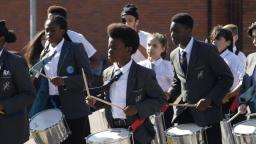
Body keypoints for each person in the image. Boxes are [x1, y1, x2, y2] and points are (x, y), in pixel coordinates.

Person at [88, 23, 166, 144]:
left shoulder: (143, 74)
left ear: (128, 50)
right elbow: (108, 100)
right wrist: (96, 102)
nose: (109, 51)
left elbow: (160, 100)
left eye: (114, 48)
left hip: (138, 134)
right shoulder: (107, 73)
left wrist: (137, 108)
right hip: (115, 133)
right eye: (109, 47)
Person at [168, 13, 233, 144]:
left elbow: (226, 78)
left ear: (188, 30)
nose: (172, 34)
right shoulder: (173, 54)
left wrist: (210, 99)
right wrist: (168, 94)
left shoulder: (207, 50)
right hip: (184, 114)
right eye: (171, 31)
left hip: (208, 115)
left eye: (176, 31)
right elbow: (178, 82)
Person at [31, 15, 92, 144]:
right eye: (46, 30)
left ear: (62, 30)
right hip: (51, 107)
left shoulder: (75, 48)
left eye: (52, 30)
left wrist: (65, 81)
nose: (48, 33)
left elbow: (88, 77)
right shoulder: (45, 53)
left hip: (74, 109)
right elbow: (40, 79)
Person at [0, 20, 35, 144]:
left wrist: (3, 106)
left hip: (11, 131)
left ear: (2, 39)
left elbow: (29, 95)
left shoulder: (16, 62)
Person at [138, 32, 174, 128]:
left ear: (163, 49)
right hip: (146, 108)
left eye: (155, 46)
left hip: (164, 107)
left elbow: (175, 83)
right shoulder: (140, 66)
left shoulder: (168, 66)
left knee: (165, 136)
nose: (150, 48)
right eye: (149, 45)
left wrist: (169, 92)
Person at [210, 26, 244, 115]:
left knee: (229, 129)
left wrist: (228, 95)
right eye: (213, 38)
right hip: (214, 102)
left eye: (218, 38)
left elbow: (243, 81)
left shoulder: (233, 58)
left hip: (230, 102)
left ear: (228, 42)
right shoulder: (212, 59)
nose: (214, 41)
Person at [238, 22, 256, 114]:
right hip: (253, 115)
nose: (254, 41)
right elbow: (246, 86)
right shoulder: (250, 58)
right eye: (253, 37)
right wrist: (242, 102)